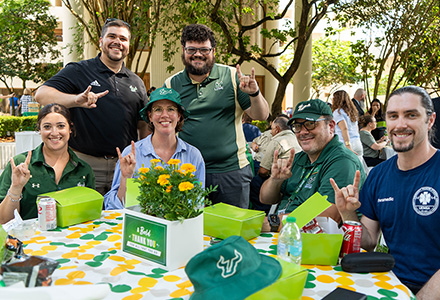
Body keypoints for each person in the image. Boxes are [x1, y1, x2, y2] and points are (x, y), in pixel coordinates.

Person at [331, 86, 440, 296]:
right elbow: (370, 240)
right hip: (388, 284)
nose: (400, 124)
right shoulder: (379, 175)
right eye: (393, 116)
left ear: (430, 120)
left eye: (411, 115)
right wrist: (347, 214)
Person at [35, 18, 149, 195]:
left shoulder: (137, 82)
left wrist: (142, 160)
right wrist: (75, 100)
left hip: (124, 165)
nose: (117, 42)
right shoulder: (79, 70)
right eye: (112, 36)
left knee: (123, 218)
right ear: (101, 41)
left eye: (123, 39)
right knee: (85, 219)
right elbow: (41, 94)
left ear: (128, 45)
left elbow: (142, 125)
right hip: (85, 164)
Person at [163, 24, 269, 209]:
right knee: (189, 229)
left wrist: (254, 93)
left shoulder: (231, 76)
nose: (197, 54)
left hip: (231, 171)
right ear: (183, 50)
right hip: (188, 171)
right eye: (192, 49)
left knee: (231, 232)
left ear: (213, 51)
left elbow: (261, 115)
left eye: (204, 49)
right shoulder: (172, 83)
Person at [259, 99, 365, 229]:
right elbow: (265, 199)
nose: (302, 132)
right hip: (282, 234)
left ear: (331, 126)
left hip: (311, 240)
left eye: (310, 124)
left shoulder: (342, 161)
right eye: (297, 126)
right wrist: (275, 180)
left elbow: (327, 218)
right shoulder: (299, 158)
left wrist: (271, 224)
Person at [104, 87, 205, 210]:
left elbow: (198, 204)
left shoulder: (193, 155)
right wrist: (126, 177)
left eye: (171, 109)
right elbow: (115, 207)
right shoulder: (131, 154)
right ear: (150, 116)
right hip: (142, 227)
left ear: (179, 116)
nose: (164, 115)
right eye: (158, 110)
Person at [0, 103, 95, 223]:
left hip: (73, 240)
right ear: (39, 129)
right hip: (30, 240)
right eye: (47, 127)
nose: (54, 133)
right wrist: (16, 188)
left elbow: (91, 215)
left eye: (61, 126)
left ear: (70, 129)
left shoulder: (84, 170)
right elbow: (3, 220)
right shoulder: (19, 165)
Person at [250, 114, 301, 214]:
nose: (271, 132)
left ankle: (260, 213)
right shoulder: (296, 138)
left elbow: (263, 171)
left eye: (272, 129)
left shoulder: (277, 141)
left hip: (282, 180)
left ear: (277, 129)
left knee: (254, 181)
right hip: (296, 177)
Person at [332, 90, 363, 158]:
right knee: (358, 167)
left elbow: (344, 128)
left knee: (347, 168)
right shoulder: (352, 112)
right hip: (357, 142)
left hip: (345, 144)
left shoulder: (338, 112)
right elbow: (356, 128)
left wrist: (347, 145)